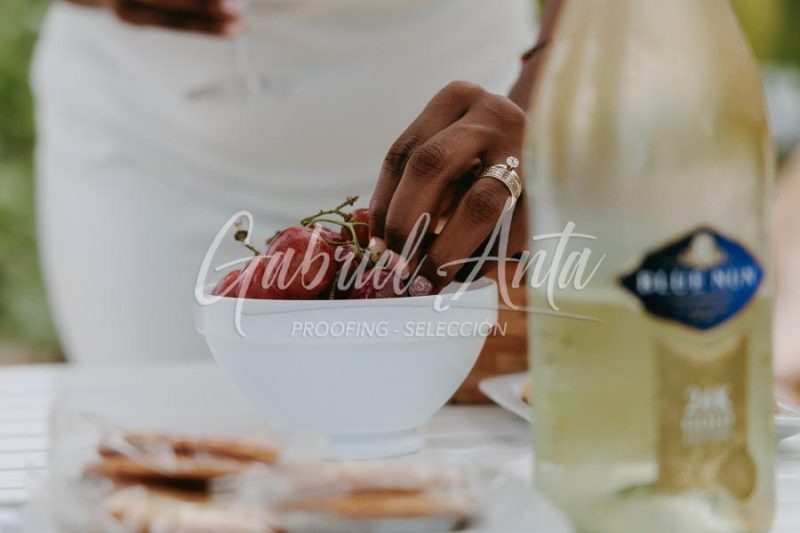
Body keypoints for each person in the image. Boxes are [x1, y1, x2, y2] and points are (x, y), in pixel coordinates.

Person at [33, 0, 537, 363]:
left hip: (462, 146)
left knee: (452, 460)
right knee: (170, 446)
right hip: (155, 143)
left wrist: (547, 100)